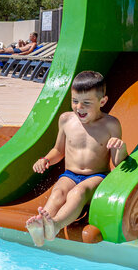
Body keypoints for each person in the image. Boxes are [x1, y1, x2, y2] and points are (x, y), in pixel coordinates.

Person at [26, 71, 126, 246]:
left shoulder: (111, 124)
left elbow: (118, 163)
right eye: (74, 101)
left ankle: (55, 225)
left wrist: (121, 147)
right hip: (70, 175)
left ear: (102, 102)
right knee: (58, 192)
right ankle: (41, 227)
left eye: (86, 103)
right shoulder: (66, 120)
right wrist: (46, 159)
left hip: (96, 176)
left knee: (77, 193)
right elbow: (58, 150)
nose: (79, 107)